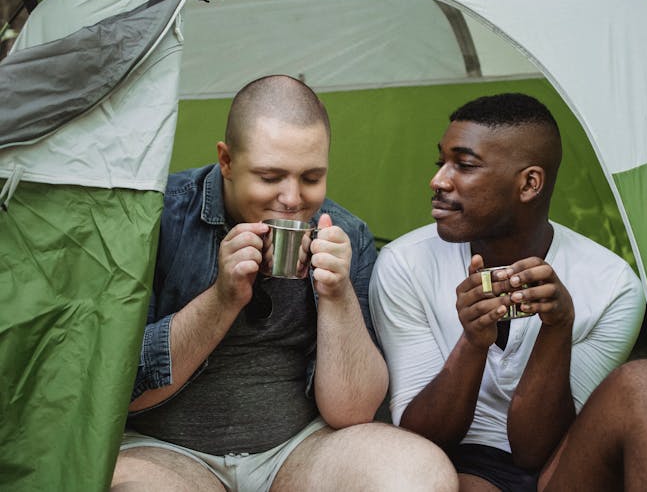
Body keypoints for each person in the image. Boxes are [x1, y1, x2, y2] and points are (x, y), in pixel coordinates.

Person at [111, 75, 458, 491]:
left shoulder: (347, 232)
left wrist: (337, 293)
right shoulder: (156, 219)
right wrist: (222, 299)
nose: (292, 199)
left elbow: (354, 411)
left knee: (420, 474)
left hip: (296, 450)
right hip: (164, 452)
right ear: (226, 161)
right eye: (270, 176)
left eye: (311, 178)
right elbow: (121, 390)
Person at [369, 93, 647, 491]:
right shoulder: (404, 263)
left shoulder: (612, 284)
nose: (439, 180)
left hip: (561, 466)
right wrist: (474, 342)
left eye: (464, 165)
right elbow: (421, 439)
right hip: (448, 465)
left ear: (529, 183)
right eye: (440, 162)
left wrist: (558, 327)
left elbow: (535, 450)